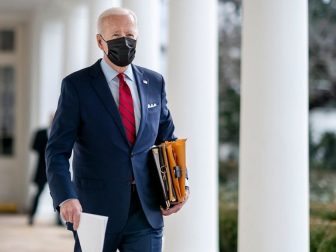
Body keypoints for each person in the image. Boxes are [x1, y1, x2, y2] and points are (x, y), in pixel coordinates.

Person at [46, 7, 188, 252]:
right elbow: (57, 151)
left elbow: (167, 140)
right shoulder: (76, 86)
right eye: (116, 35)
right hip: (94, 212)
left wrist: (179, 186)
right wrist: (65, 197)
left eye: (130, 34)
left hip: (146, 210)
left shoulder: (154, 82)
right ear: (100, 42)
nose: (125, 41)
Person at [28, 120, 62, 226]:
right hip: (42, 169)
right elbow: (33, 147)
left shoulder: (61, 132)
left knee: (59, 195)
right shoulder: (41, 133)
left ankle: (59, 220)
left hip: (56, 169)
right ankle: (31, 216)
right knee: (38, 193)